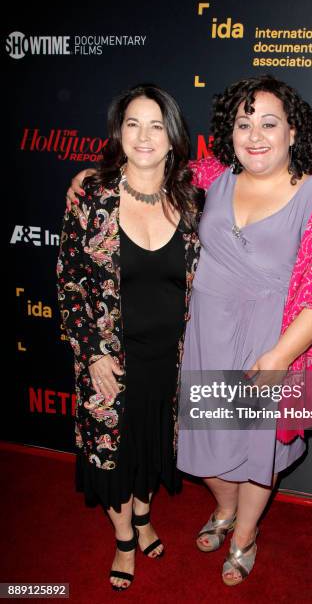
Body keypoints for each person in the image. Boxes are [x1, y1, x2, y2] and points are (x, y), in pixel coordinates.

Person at [66, 75, 312, 587]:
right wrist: (95, 173)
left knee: (260, 453)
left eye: (270, 123)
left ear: (293, 132)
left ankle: (244, 535)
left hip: (277, 346)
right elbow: (146, 171)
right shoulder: (210, 174)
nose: (256, 135)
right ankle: (223, 512)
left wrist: (281, 356)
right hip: (204, 337)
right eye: (244, 124)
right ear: (231, 132)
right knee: (207, 452)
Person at [57, 83, 203, 590]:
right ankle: (124, 537)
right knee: (114, 455)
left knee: (152, 445)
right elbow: (69, 281)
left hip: (170, 360)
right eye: (133, 123)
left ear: (172, 136)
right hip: (111, 363)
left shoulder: (191, 200)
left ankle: (143, 516)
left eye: (156, 124)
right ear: (119, 132)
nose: (144, 135)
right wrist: (91, 352)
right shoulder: (92, 198)